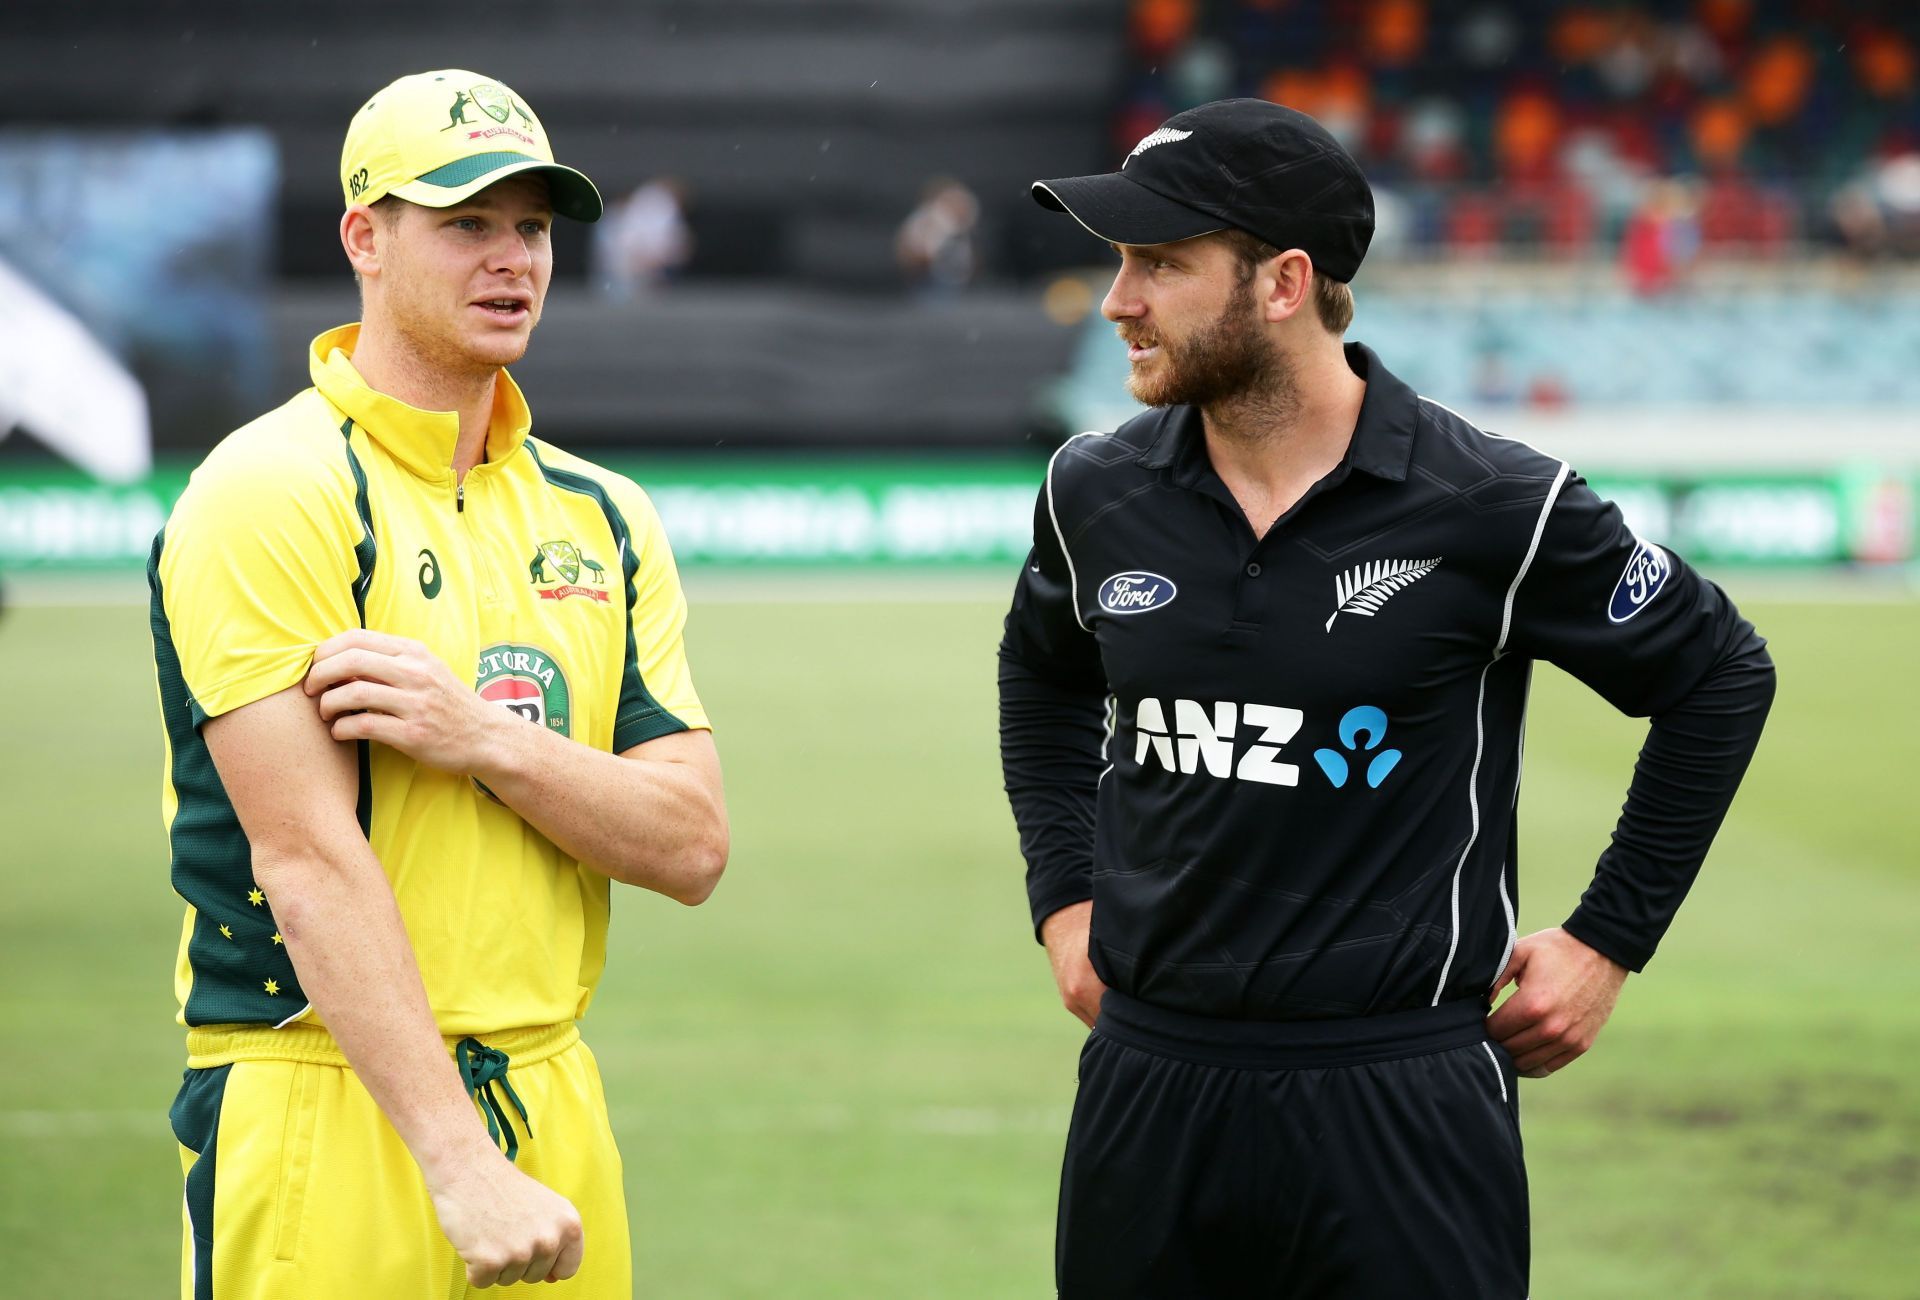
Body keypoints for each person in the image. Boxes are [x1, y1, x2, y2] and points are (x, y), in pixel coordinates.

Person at [999, 99, 1774, 1298]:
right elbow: (1041, 675)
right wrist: (1064, 897)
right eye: (1120, 263)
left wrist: (1610, 939)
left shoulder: (1496, 503)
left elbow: (1718, 672)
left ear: (1283, 281)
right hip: (1150, 1085)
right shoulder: (1091, 489)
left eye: (1160, 263)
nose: (1119, 301)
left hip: (1402, 1096)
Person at [148, 69, 728, 1298]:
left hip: (551, 1091)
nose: (510, 257)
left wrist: (485, 740)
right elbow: (305, 861)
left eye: (531, 226)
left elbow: (689, 844)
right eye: (465, 222)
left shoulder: (605, 514)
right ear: (366, 236)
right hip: (321, 1098)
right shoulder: (276, 487)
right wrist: (456, 1162)